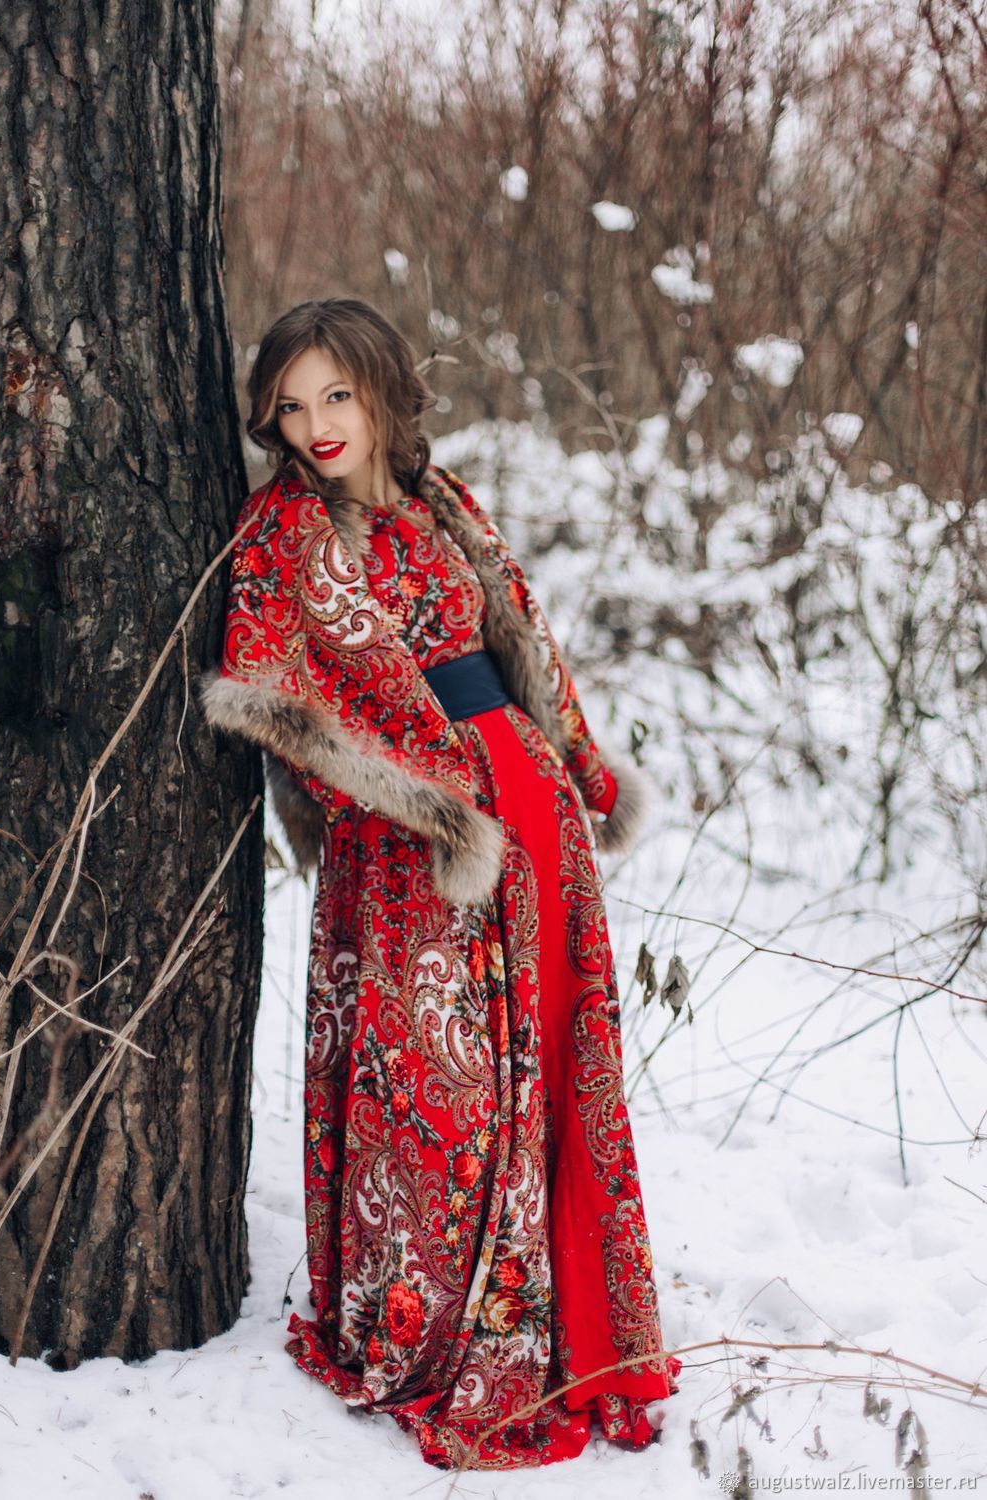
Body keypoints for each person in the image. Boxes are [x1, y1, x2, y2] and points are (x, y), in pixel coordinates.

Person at [199, 296, 682, 1471]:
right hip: (412, 846)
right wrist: (418, 796)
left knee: (553, 1058)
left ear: (380, 392)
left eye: (338, 395)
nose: (316, 423)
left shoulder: (441, 498)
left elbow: (523, 634)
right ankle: (448, 1333)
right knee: (442, 1101)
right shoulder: (276, 535)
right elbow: (272, 697)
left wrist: (576, 762)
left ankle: (575, 1326)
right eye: (293, 402)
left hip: (532, 812)